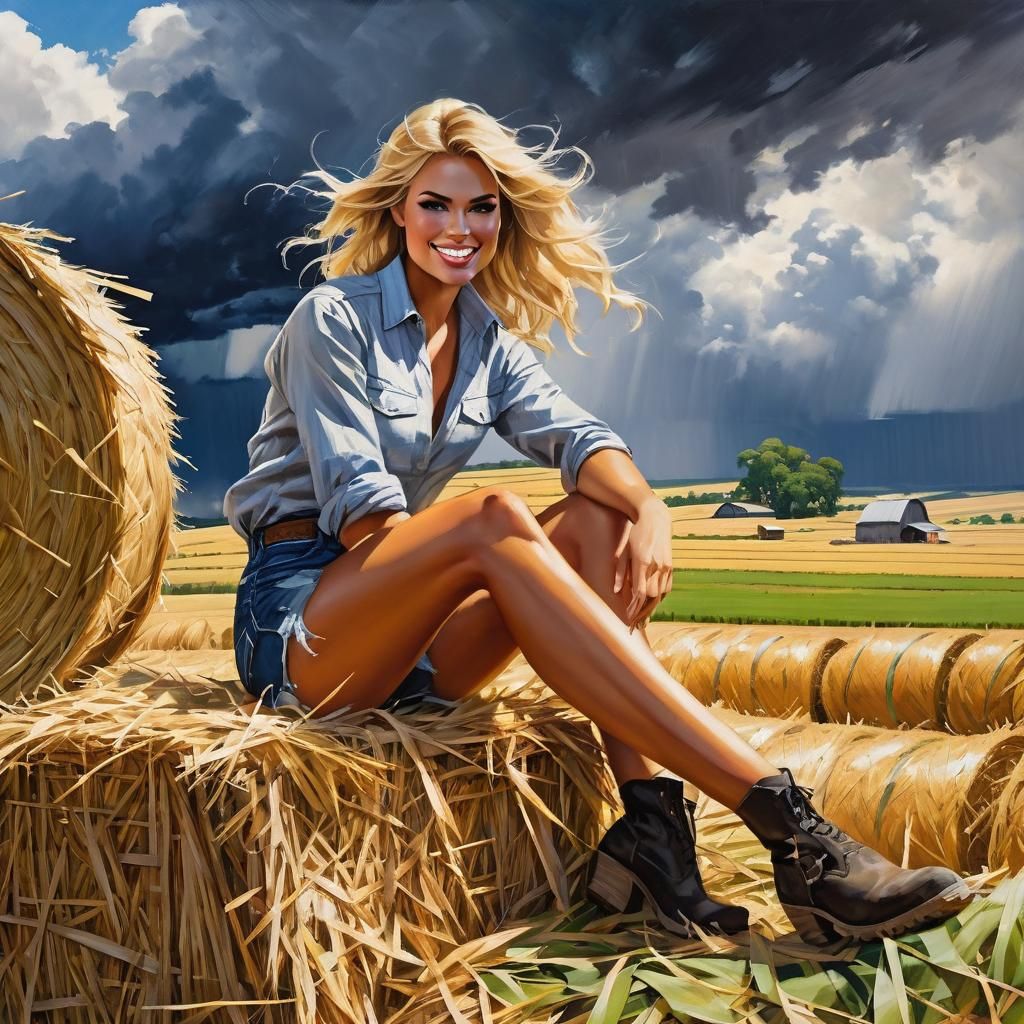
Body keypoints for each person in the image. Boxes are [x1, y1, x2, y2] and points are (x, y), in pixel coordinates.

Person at [223, 98, 973, 945]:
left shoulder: (485, 341)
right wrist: (490, 547)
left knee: (595, 519)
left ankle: (654, 833)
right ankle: (792, 826)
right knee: (496, 517)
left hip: (413, 641)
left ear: (504, 218)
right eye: (436, 204)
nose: (459, 227)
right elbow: (367, 527)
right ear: (398, 211)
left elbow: (579, 437)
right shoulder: (332, 318)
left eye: (482, 207)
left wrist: (648, 507)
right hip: (305, 629)